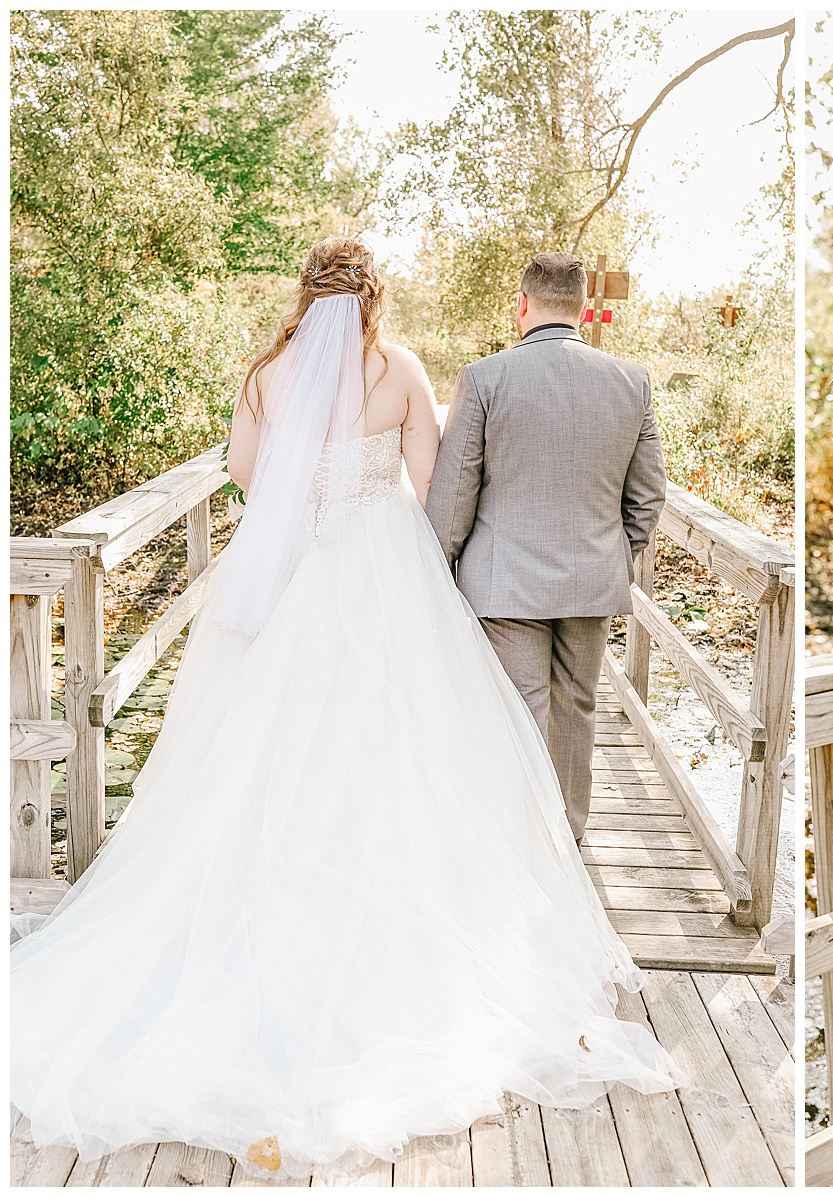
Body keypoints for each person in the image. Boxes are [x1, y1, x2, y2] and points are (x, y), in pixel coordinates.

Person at [10, 238, 680, 1179]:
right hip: (382, 568)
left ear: (305, 295)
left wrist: (304, 493)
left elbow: (246, 473)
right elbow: (436, 479)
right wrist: (411, 537)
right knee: (409, 739)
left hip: (290, 576)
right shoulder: (399, 367)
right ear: (373, 300)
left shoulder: (265, 374)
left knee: (267, 742)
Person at [425, 251, 666, 842]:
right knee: (577, 708)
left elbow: (456, 492)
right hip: (591, 581)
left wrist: (438, 566)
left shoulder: (484, 378)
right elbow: (648, 495)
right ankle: (568, 837)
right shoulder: (631, 381)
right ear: (583, 308)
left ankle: (517, 839)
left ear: (522, 306)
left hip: (503, 582)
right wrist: (613, 554)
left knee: (518, 709)